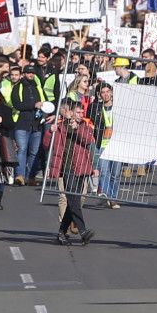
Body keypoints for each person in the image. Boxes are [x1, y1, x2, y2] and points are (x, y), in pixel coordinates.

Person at [45, 101, 97, 246]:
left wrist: (77, 129)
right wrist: (50, 132)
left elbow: (88, 140)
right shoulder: (61, 126)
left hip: (81, 167)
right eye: (79, 112)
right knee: (73, 199)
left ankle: (62, 232)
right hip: (67, 167)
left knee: (74, 201)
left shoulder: (84, 126)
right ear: (72, 112)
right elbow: (46, 144)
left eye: (82, 112)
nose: (81, 115)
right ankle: (83, 231)